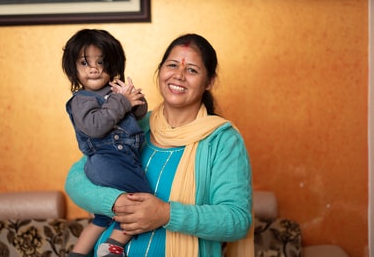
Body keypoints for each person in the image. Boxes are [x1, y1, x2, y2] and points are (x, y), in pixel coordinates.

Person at [65, 33, 253, 257]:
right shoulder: (133, 124)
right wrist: (115, 202)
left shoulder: (221, 140)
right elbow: (75, 180)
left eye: (192, 70)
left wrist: (166, 214)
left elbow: (237, 220)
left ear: (209, 81)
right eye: (172, 65)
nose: (179, 75)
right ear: (160, 70)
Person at [62, 29, 152, 257]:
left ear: (113, 65)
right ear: (74, 69)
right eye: (85, 62)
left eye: (101, 61)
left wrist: (133, 98)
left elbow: (139, 116)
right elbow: (95, 126)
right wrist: (121, 101)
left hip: (116, 163)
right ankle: (112, 247)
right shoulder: (80, 100)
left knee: (101, 218)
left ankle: (79, 252)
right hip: (109, 162)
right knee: (142, 202)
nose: (94, 68)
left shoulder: (114, 92)